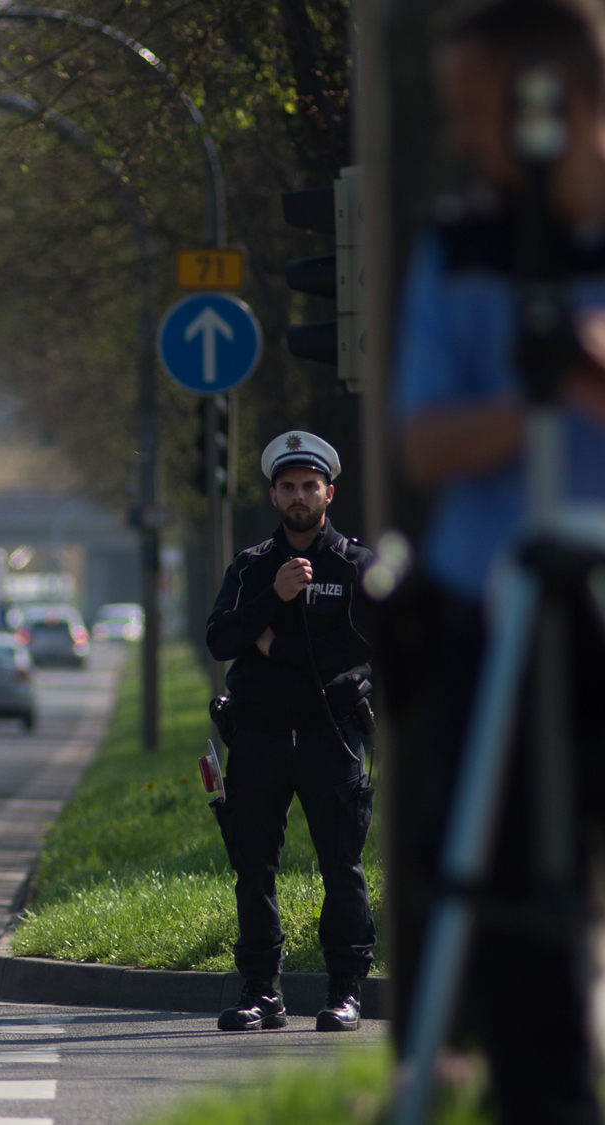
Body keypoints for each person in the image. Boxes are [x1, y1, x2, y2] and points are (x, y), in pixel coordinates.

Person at [391, 0, 605, 1119]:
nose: (464, 140)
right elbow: (425, 440)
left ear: (550, 103)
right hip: (493, 597)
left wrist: (572, 361)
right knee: (497, 882)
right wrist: (529, 395)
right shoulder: (459, 244)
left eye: (478, 113)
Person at [205, 431, 376, 1034]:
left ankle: (345, 992)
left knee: (342, 867)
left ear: (329, 491)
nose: (299, 496)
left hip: (330, 738)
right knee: (253, 868)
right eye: (288, 487)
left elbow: (362, 649)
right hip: (258, 737)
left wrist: (275, 645)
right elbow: (221, 640)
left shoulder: (357, 565)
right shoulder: (253, 568)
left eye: (310, 485)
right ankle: (261, 993)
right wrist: (271, 600)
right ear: (275, 496)